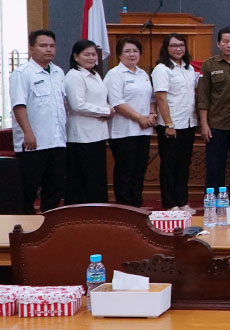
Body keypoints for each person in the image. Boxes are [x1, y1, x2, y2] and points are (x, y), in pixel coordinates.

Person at [10, 29, 66, 213]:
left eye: (52, 46)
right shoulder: (22, 73)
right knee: (29, 188)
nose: (48, 49)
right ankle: (26, 229)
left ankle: (49, 227)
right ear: (32, 48)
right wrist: (28, 132)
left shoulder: (58, 72)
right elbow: (19, 105)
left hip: (57, 141)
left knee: (55, 188)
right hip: (34, 143)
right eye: (43, 46)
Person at [197, 27, 230, 192]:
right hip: (216, 125)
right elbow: (203, 97)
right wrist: (204, 125)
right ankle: (213, 202)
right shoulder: (209, 65)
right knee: (215, 166)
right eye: (225, 42)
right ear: (218, 44)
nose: (229, 45)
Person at [106, 37, 155, 208]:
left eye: (135, 51)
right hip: (123, 132)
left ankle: (136, 205)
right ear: (119, 54)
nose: (132, 54)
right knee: (125, 171)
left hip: (143, 131)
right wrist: (139, 118)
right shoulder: (114, 75)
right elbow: (117, 103)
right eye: (127, 51)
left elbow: (150, 97)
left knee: (139, 170)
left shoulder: (143, 74)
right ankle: (124, 207)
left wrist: (151, 113)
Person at [152, 33, 199, 212]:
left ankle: (183, 202)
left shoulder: (189, 68)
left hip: (188, 123)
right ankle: (170, 203)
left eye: (181, 45)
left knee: (183, 165)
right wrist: (169, 124)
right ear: (166, 48)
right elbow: (161, 99)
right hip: (170, 125)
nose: (178, 49)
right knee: (169, 165)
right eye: (174, 46)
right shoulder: (162, 69)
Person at [64, 39, 111, 204]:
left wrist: (105, 109)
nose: (91, 58)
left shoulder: (95, 74)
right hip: (81, 136)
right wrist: (105, 111)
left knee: (96, 177)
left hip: (98, 134)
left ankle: (98, 210)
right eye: (87, 54)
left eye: (93, 54)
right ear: (76, 57)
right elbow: (78, 105)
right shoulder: (74, 75)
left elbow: (100, 98)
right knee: (83, 177)